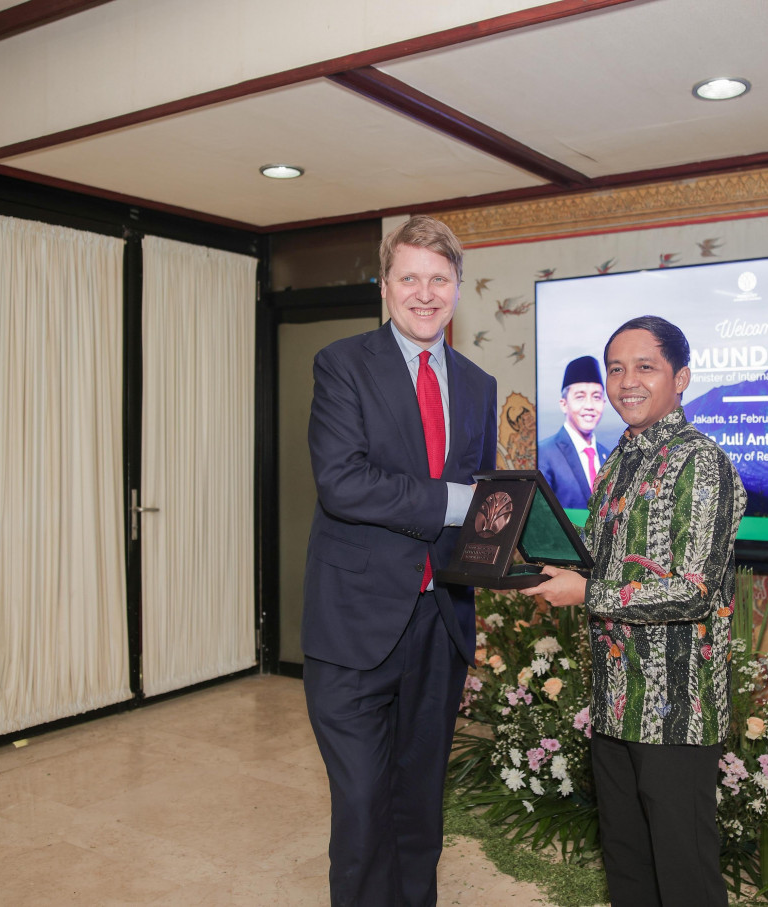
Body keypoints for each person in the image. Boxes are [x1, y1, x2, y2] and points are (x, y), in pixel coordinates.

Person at [302, 215, 497, 906]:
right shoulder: (342, 364)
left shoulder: (478, 384)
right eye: (409, 277)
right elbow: (343, 483)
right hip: (353, 630)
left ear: (458, 289)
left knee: (419, 810)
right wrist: (454, 501)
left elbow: (488, 504)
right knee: (361, 811)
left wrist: (514, 549)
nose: (424, 293)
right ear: (385, 286)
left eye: (438, 279)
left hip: (438, 626)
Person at [527, 315, 746, 907]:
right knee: (627, 866)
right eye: (616, 369)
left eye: (644, 367)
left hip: (675, 709)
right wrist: (534, 565)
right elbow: (602, 563)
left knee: (685, 875)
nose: (627, 382)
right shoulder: (619, 460)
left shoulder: (701, 463)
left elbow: (692, 589)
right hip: (614, 701)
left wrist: (586, 593)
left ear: (682, 378)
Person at [538, 356, 611, 510]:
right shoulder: (544, 454)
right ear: (564, 404)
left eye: (596, 397)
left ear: (604, 403)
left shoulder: (609, 456)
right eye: (580, 397)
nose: (589, 406)